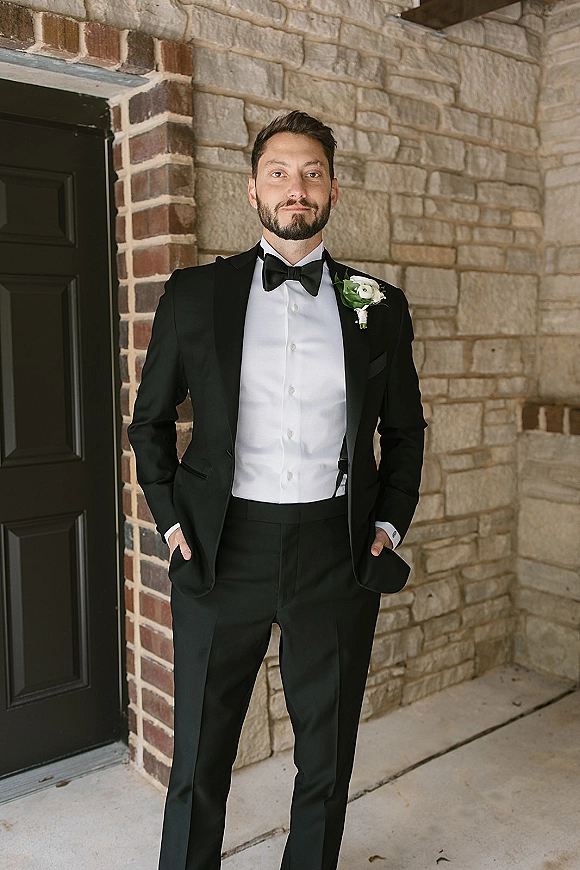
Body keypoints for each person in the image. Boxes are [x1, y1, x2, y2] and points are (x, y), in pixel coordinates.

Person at [128, 110, 426, 870]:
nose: (297, 188)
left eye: (312, 172)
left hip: (335, 547)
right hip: (222, 545)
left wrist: (388, 527)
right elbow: (149, 425)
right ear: (253, 188)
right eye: (280, 172)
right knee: (198, 751)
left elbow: (405, 432)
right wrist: (170, 524)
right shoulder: (195, 296)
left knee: (326, 756)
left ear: (333, 188)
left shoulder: (377, 304)